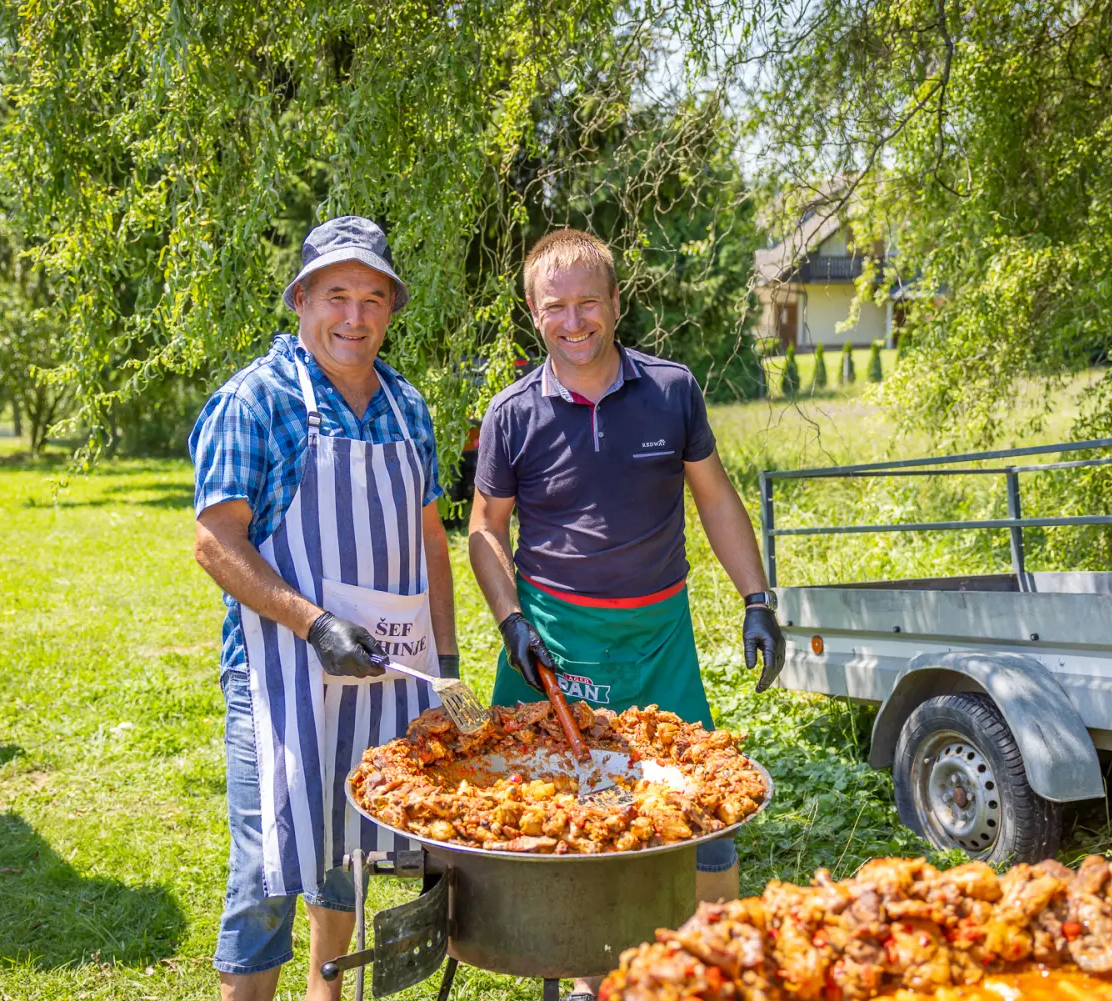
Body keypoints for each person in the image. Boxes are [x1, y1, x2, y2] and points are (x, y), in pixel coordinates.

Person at [467, 228, 785, 999]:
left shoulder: (671, 390)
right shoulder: (511, 413)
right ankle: (579, 976)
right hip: (553, 640)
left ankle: (712, 970)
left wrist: (758, 598)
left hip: (658, 636)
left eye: (587, 303)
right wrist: (511, 619)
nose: (573, 322)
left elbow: (715, 498)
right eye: (555, 308)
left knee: (707, 813)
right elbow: (484, 528)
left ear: (615, 303)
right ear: (533, 313)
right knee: (548, 815)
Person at [190, 216, 458, 1001]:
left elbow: (430, 542)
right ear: (301, 299)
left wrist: (445, 668)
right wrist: (313, 622)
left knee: (348, 843)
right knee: (271, 861)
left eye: (374, 297)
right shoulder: (256, 400)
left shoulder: (408, 405)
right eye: (337, 294)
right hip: (282, 675)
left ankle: (325, 991)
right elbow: (215, 542)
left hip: (392, 672)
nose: (356, 316)